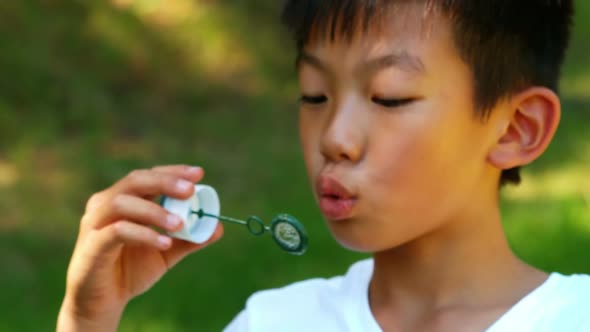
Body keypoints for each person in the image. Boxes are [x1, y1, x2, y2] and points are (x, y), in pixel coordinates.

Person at [57, 1, 590, 331]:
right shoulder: (273, 324)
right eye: (314, 95)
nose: (334, 138)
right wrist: (88, 321)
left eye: (389, 97)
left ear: (517, 127)